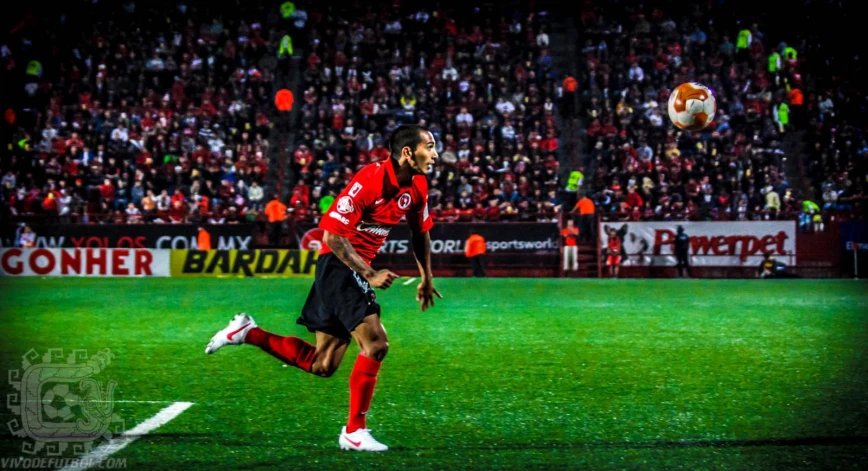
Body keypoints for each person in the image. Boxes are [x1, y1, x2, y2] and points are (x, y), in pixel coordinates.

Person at [205, 124, 442, 452]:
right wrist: (370, 273)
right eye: (429, 147)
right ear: (407, 152)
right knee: (376, 343)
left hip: (351, 269)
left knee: (323, 364)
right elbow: (332, 236)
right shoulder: (369, 181)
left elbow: (420, 231)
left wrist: (427, 277)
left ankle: (248, 332)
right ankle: (354, 431)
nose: (434, 153)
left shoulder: (418, 185)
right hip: (339, 265)